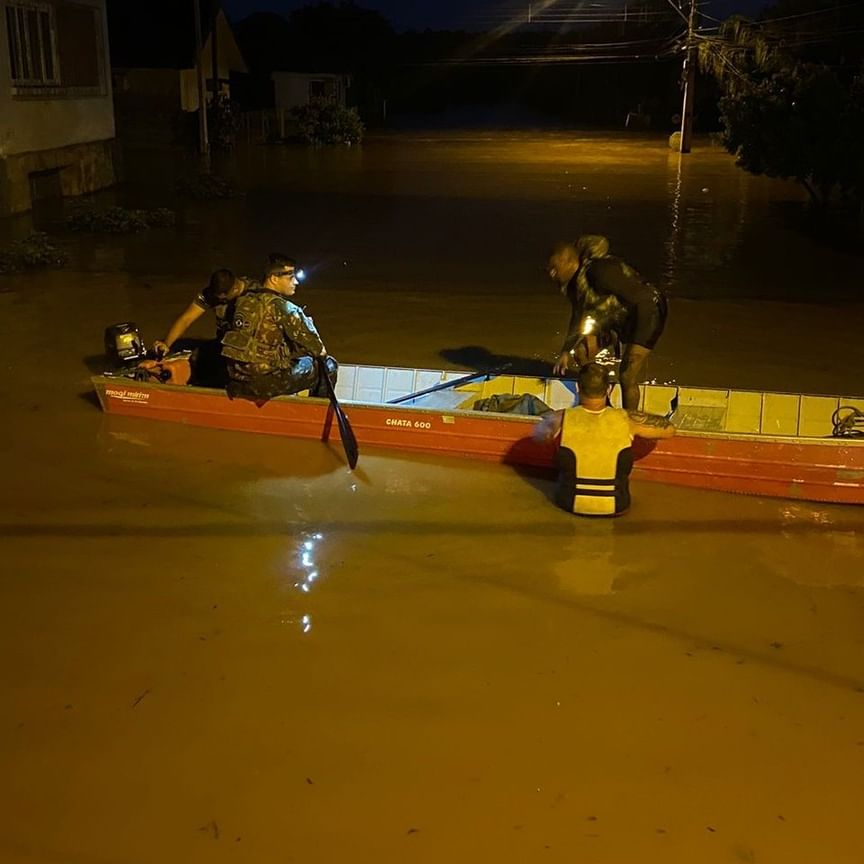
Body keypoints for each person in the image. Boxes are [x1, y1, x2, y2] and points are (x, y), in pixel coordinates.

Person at [536, 363, 675, 516]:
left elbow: (539, 437)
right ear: (609, 389)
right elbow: (669, 430)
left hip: (569, 503)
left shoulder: (559, 418)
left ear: (577, 387)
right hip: (617, 505)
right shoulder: (627, 419)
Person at [547, 235, 668, 410]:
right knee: (581, 353)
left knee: (627, 375)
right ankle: (603, 399)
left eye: (554, 268)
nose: (551, 274)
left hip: (648, 313)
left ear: (569, 261)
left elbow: (642, 297)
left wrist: (631, 346)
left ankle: (629, 422)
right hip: (617, 319)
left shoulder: (599, 270)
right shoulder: (575, 285)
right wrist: (566, 350)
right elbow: (578, 315)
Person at [221, 253, 338, 402]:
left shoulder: (242, 301)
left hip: (237, 378)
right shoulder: (285, 308)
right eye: (290, 277)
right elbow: (319, 350)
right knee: (328, 365)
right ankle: (317, 413)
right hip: (263, 384)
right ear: (274, 279)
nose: (296, 282)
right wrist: (309, 326)